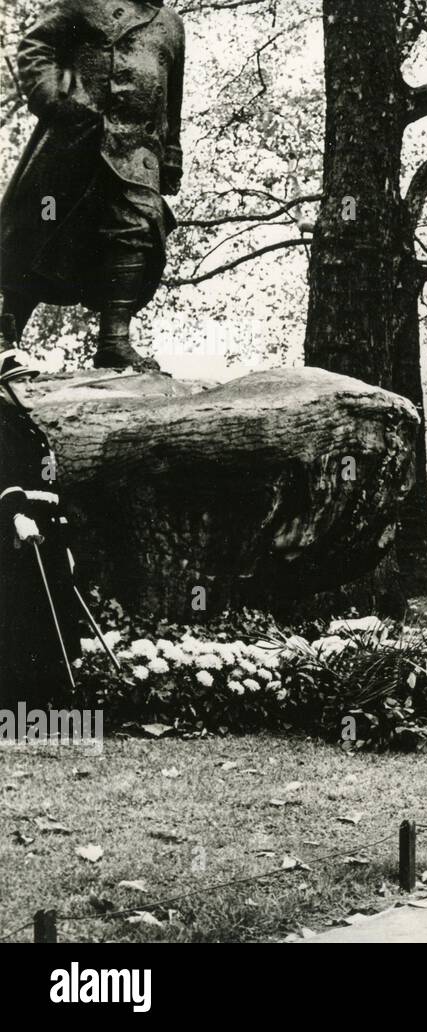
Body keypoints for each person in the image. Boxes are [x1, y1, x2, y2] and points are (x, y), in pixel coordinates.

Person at [1, 0, 186, 370]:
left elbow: (172, 95)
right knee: (43, 229)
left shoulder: (172, 25)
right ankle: (5, 337)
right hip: (78, 142)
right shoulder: (86, 3)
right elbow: (36, 46)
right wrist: (56, 100)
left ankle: (114, 342)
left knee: (135, 231)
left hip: (137, 149)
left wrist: (171, 151)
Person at [0, 349, 84, 709]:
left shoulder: (34, 430)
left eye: (32, 380)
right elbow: (4, 474)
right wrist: (16, 515)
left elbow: (51, 487)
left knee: (55, 608)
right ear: (3, 389)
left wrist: (62, 538)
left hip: (46, 530)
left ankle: (49, 696)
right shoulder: (2, 425)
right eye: (21, 381)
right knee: (23, 612)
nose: (31, 387)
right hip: (17, 531)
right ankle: (16, 702)